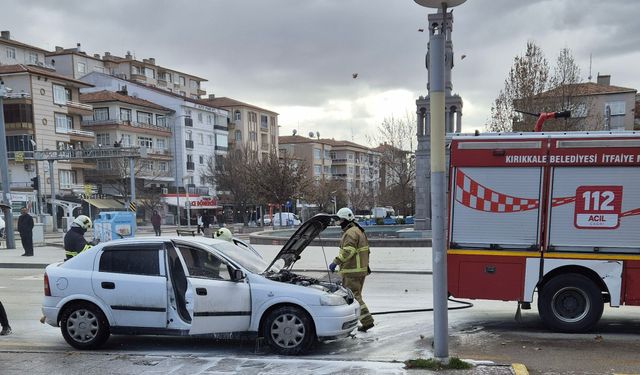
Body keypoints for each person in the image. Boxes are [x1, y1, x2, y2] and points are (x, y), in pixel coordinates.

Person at [329, 207, 374, 332]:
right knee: (357, 295)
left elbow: (349, 251)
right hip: (360, 270)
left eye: (340, 220)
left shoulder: (350, 233)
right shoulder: (358, 230)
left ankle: (367, 321)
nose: (338, 223)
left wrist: (335, 262)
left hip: (352, 270)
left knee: (354, 297)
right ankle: (363, 320)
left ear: (345, 219)